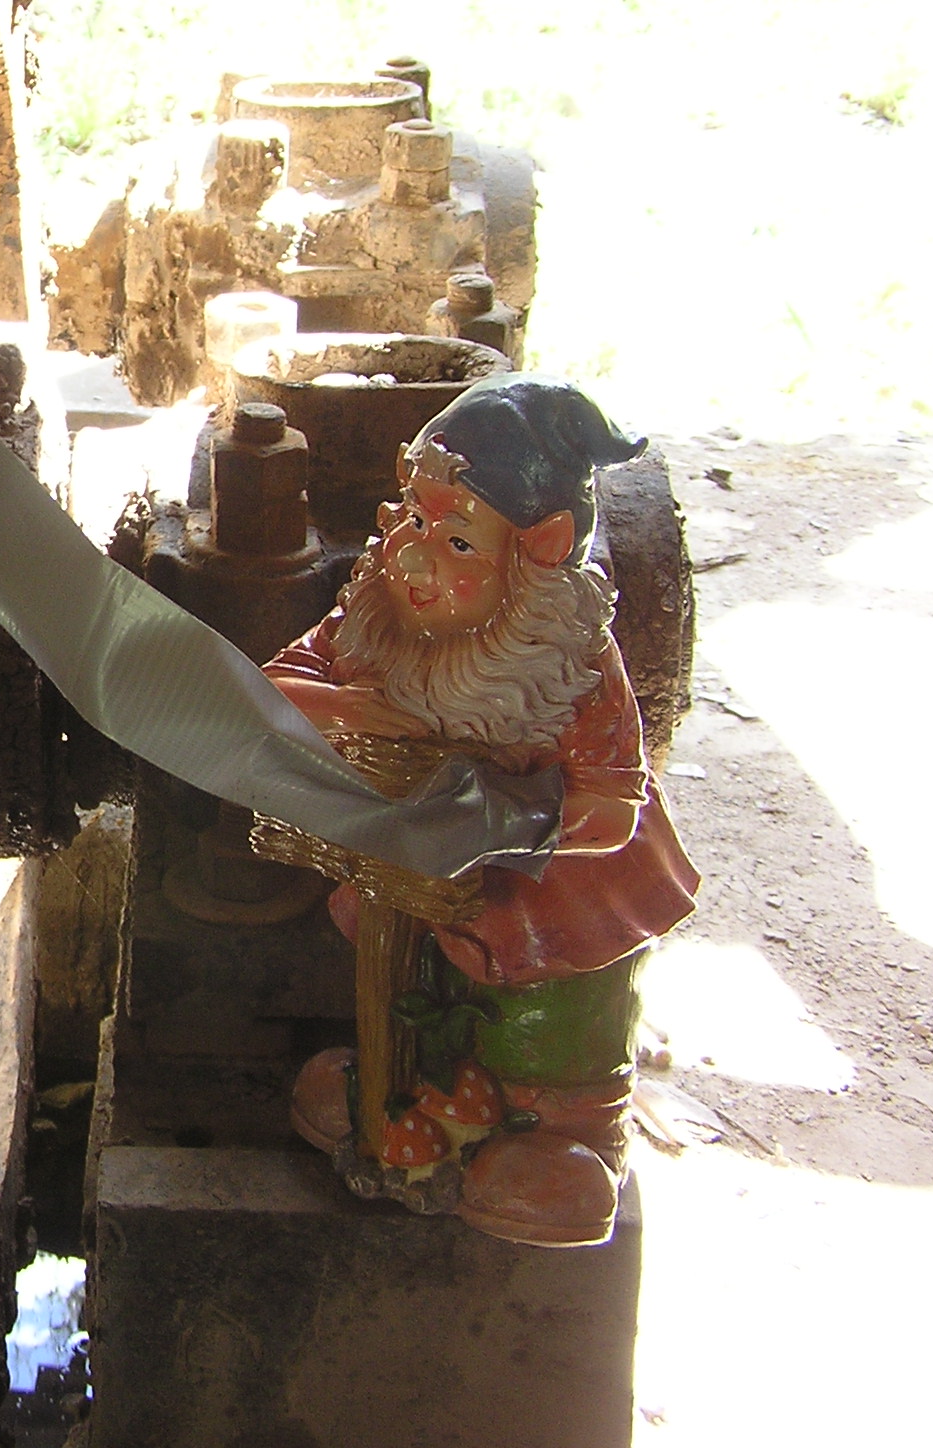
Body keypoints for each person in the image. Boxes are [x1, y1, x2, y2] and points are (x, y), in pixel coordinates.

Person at [263, 372, 701, 1247]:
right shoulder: (378, 621)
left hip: (550, 911)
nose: (413, 558)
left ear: (539, 550)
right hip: (417, 901)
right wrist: (348, 707)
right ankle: (404, 1095)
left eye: (458, 541)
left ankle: (567, 1132)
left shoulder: (570, 658)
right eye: (413, 521)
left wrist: (491, 819)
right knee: (410, 996)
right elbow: (269, 689)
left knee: (545, 1029)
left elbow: (611, 809)